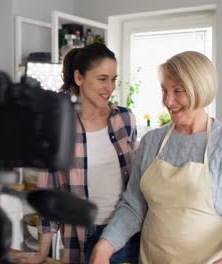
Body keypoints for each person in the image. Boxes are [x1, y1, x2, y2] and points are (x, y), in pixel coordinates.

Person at [90, 51, 222, 264]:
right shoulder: (152, 142)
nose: (168, 101)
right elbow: (133, 206)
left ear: (200, 90)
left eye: (178, 91)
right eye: (164, 90)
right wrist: (105, 246)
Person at [11, 43, 140, 264]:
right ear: (79, 78)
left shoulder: (125, 119)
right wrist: (41, 253)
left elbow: (135, 182)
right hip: (81, 237)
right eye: (102, 79)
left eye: (113, 79)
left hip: (124, 232)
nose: (109, 87)